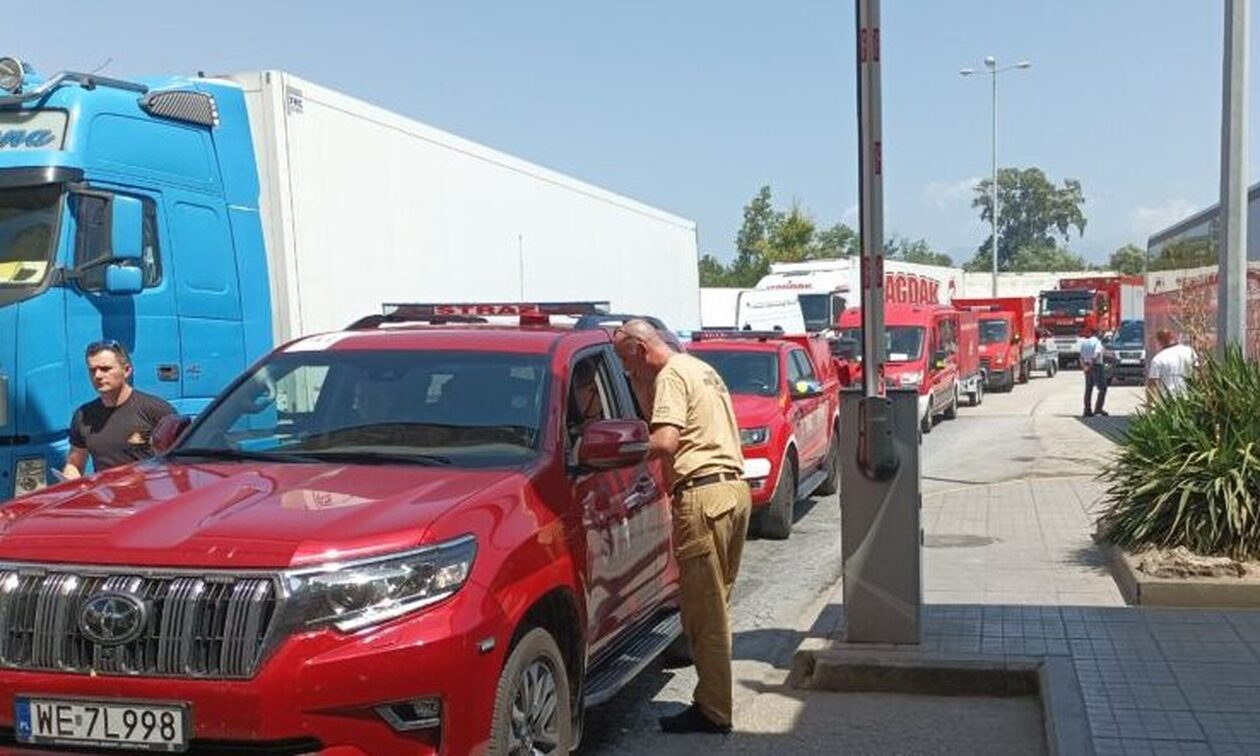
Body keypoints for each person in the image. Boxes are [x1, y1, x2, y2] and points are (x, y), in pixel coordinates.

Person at [613, 319, 751, 735]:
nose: (627, 371)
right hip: (732, 492)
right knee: (716, 606)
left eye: (626, 361)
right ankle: (715, 699)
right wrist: (639, 383)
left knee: (703, 612)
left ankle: (713, 711)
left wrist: (614, 451)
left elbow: (665, 441)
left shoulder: (672, 375)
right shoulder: (698, 368)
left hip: (702, 497)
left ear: (639, 348)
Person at [63, 340, 175, 479]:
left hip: (147, 496)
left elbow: (181, 463)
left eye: (105, 369)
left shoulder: (155, 410)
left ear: (126, 370)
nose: (97, 376)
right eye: (92, 370)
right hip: (104, 497)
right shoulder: (83, 415)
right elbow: (75, 463)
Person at [1147, 328, 1198, 399]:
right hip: (1190, 397)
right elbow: (1197, 373)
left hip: (1169, 402)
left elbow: (1152, 384)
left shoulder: (1158, 359)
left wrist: (1150, 405)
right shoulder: (1189, 351)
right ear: (1174, 337)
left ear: (1159, 341)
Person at [1079, 327, 1108, 417]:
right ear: (1097, 333)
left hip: (1087, 365)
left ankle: (1087, 410)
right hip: (1096, 366)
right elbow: (1096, 355)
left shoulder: (1084, 342)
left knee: (1088, 388)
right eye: (1101, 332)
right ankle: (1098, 409)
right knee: (1103, 388)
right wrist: (1090, 366)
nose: (1102, 334)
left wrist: (1084, 367)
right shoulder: (1097, 342)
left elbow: (1080, 356)